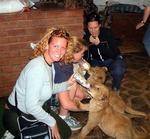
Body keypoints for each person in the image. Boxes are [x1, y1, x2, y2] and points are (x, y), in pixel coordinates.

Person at [3, 27, 74, 139]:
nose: (59, 51)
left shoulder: (50, 64)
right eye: (55, 46)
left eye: (63, 48)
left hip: (36, 110)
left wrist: (67, 84)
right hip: (18, 115)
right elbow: (31, 106)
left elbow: (47, 88)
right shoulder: (37, 68)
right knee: (58, 134)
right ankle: (14, 132)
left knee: (65, 132)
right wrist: (52, 122)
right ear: (47, 45)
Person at [83, 12, 127, 92]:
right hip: (96, 62)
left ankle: (115, 89)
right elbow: (86, 57)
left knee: (119, 70)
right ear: (87, 27)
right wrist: (88, 43)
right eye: (90, 28)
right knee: (87, 76)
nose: (93, 31)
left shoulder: (107, 33)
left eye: (95, 27)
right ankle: (96, 91)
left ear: (99, 25)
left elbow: (113, 54)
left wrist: (99, 44)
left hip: (111, 59)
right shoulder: (85, 35)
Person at [52, 37, 89, 131]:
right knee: (73, 85)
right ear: (73, 53)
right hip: (48, 96)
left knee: (80, 96)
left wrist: (86, 95)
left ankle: (58, 109)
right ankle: (62, 117)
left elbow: (80, 94)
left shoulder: (68, 62)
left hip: (57, 90)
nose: (83, 56)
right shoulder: (60, 68)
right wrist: (90, 108)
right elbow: (67, 104)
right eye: (82, 53)